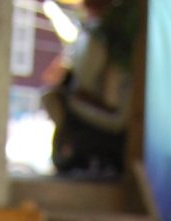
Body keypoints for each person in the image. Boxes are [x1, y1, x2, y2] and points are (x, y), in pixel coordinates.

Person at [45, 0, 139, 178]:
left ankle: (70, 153)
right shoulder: (99, 35)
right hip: (114, 117)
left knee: (54, 99)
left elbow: (86, 85)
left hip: (114, 118)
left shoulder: (103, 38)